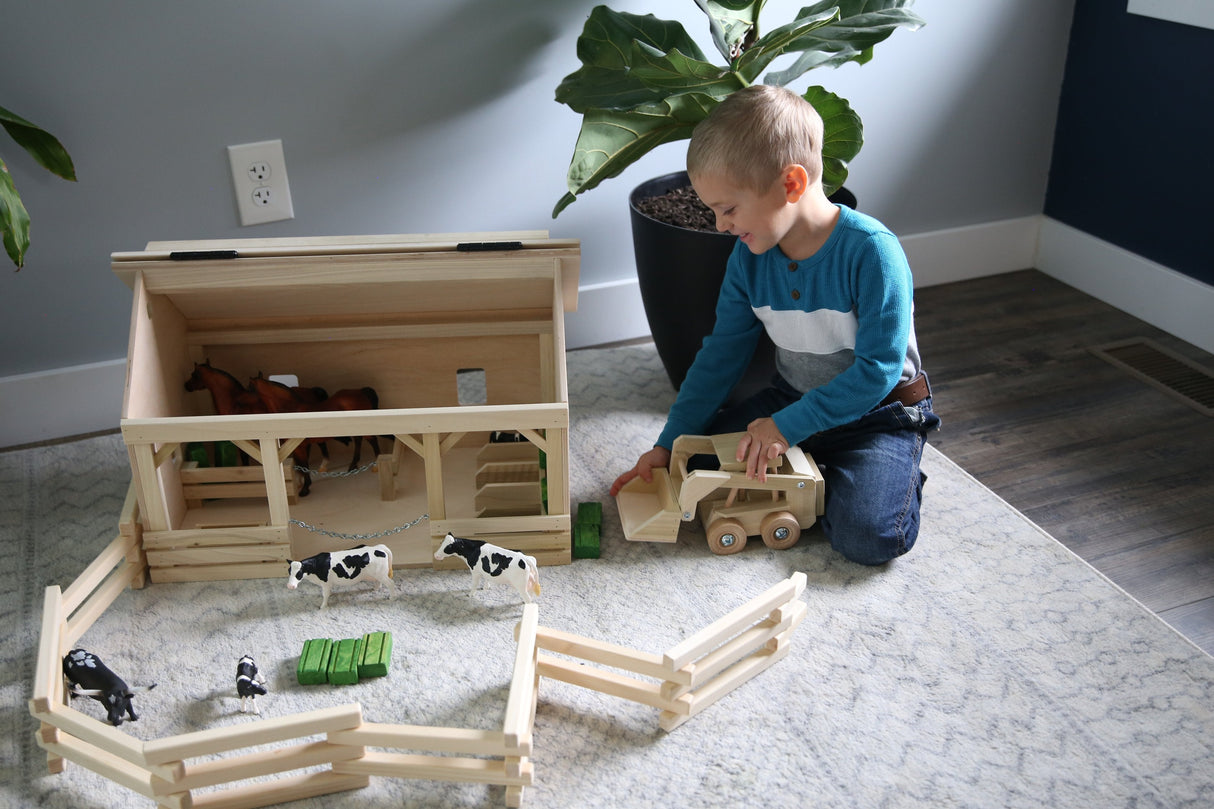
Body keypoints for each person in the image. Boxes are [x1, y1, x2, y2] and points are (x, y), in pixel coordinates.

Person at [609, 84, 940, 566]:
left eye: (728, 209)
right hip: (793, 397)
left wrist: (787, 428)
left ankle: (886, 472)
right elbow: (719, 356)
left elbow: (878, 370)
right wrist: (669, 445)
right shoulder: (748, 260)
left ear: (791, 184)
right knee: (698, 462)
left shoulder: (872, 251)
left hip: (879, 415)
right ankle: (820, 468)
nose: (720, 226)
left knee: (869, 538)